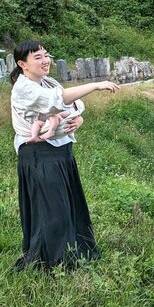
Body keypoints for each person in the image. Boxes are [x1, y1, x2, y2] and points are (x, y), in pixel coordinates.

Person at [10, 40, 119, 271]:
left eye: (46, 55)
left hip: (60, 151)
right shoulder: (24, 88)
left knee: (69, 204)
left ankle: (74, 253)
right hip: (39, 153)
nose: (45, 60)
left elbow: (73, 103)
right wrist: (96, 85)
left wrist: (79, 118)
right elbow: (57, 101)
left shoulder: (48, 81)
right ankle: (53, 262)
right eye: (37, 57)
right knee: (52, 210)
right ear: (22, 64)